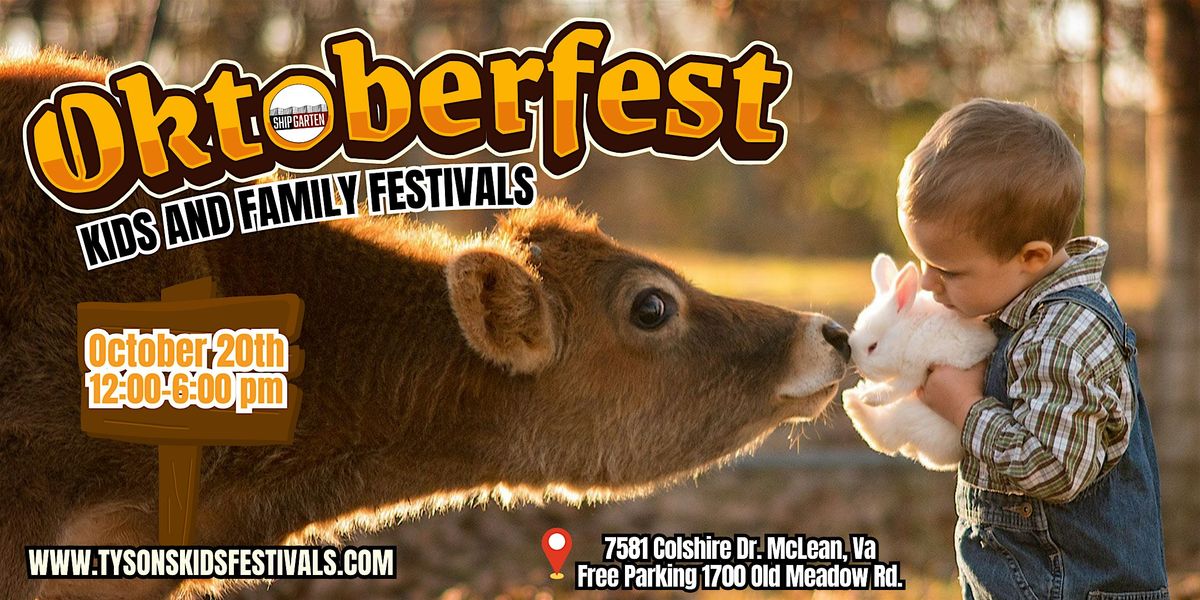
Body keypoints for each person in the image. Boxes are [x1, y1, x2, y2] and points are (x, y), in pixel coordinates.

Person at [898, 98, 1168, 599]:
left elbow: (1054, 467)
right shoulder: (1021, 315)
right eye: (923, 261)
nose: (929, 283)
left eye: (950, 271)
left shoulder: (1061, 336)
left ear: (1032, 257)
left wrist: (965, 408)